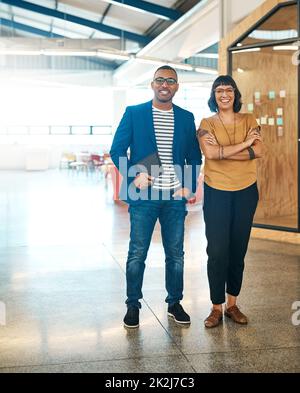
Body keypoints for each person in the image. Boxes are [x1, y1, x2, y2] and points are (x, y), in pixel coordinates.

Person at [110, 65, 202, 328]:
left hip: (174, 197)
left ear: (177, 86)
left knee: (176, 253)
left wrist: (188, 186)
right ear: (152, 84)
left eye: (170, 81)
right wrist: (132, 176)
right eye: (160, 80)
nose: (165, 84)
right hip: (144, 195)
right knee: (137, 252)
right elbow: (117, 149)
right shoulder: (135, 113)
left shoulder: (186, 117)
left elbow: (194, 156)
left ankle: (174, 303)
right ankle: (132, 305)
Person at [197, 75, 264, 328]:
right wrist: (245, 144)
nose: (224, 94)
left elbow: (259, 151)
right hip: (217, 191)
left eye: (228, 90)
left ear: (235, 94)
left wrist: (225, 152)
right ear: (213, 96)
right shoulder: (206, 123)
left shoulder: (249, 120)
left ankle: (232, 304)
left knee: (238, 250)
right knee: (216, 252)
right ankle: (216, 307)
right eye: (218, 91)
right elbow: (210, 153)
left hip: (246, 191)